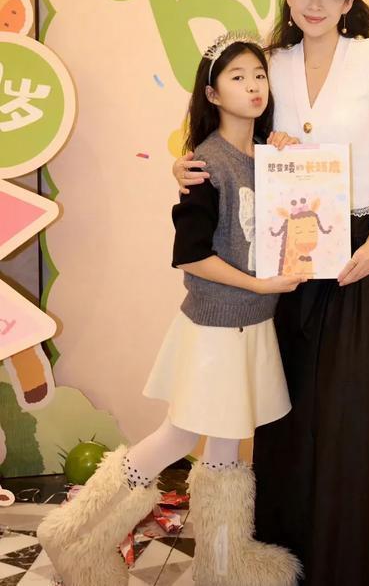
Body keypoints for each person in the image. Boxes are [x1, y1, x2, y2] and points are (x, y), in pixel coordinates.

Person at [176, 0, 369, 586]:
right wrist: (185, 164)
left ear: (349, 2)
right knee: (290, 410)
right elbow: (234, 134)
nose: (315, 3)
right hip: (286, 256)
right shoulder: (271, 63)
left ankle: (354, 561)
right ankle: (289, 559)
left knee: (349, 413)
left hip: (359, 254)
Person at [38, 34, 304, 586]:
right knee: (180, 437)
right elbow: (191, 255)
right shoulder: (206, 164)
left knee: (226, 448)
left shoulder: (267, 157)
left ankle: (223, 563)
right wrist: (260, 284)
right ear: (212, 94)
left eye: (259, 75)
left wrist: (288, 154)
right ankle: (73, 536)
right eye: (237, 77)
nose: (254, 86)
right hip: (217, 328)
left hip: (250, 323)